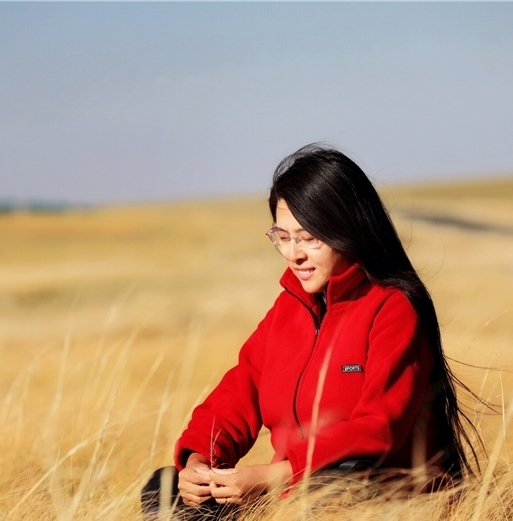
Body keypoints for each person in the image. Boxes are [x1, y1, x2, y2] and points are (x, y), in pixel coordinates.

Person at [141, 144, 478, 520]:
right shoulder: (289, 308)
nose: (293, 254)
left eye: (308, 238)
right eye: (282, 237)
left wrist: (274, 476)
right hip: (293, 498)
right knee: (166, 490)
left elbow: (377, 430)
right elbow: (238, 393)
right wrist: (199, 462)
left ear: (348, 229)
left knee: (337, 479)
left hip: (380, 502)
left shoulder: (393, 307)